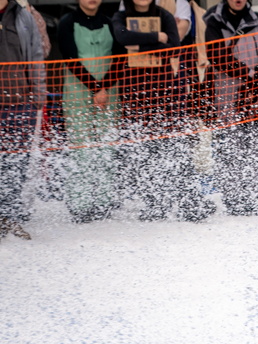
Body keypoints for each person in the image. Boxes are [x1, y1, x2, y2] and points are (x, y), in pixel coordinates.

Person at [113, 0, 213, 221]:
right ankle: (155, 204)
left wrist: (138, 42)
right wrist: (157, 37)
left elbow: (175, 46)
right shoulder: (121, 15)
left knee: (176, 147)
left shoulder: (165, 14)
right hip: (135, 91)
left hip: (167, 89)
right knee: (147, 152)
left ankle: (190, 203)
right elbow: (121, 39)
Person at [203, 0, 258, 216]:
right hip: (227, 97)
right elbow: (217, 57)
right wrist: (247, 74)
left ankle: (256, 195)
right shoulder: (214, 22)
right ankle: (234, 198)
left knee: (257, 147)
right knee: (231, 149)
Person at [57, 0, 122, 224]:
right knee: (81, 148)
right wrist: (95, 89)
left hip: (108, 94)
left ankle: (105, 201)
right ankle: (80, 204)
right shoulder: (67, 23)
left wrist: (104, 88)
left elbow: (120, 56)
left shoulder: (111, 22)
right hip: (77, 94)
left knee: (106, 147)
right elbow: (70, 57)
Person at [0, 0, 47, 240]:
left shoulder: (23, 15)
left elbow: (37, 53)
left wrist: (39, 93)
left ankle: (9, 218)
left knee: (16, 165)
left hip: (20, 104)